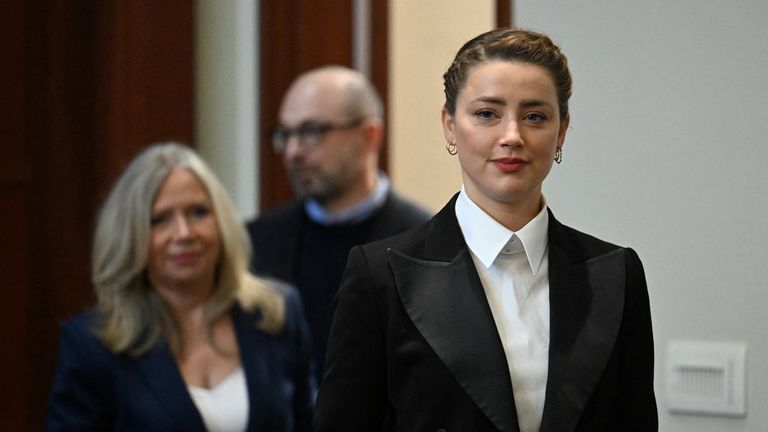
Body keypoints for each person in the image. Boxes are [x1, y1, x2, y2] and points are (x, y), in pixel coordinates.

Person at [315, 28, 658, 431]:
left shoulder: (615, 274)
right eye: (487, 114)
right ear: (449, 126)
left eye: (535, 116)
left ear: (562, 130)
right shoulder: (380, 276)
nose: (512, 136)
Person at [47, 143, 314, 431]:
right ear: (131, 235)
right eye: (160, 220)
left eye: (198, 212)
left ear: (222, 222)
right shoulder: (93, 344)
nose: (184, 233)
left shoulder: (276, 312)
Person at [246, 65, 431, 380]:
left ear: (369, 137)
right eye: (286, 134)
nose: (292, 152)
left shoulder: (426, 241)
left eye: (311, 132)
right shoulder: (257, 241)